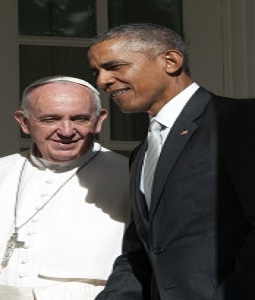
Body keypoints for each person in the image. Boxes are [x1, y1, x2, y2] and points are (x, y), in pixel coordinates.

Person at [88, 23, 255, 300]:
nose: (102, 81)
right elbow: (140, 255)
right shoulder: (141, 153)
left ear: (171, 61)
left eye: (114, 66)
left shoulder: (239, 119)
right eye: (97, 72)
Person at [0, 76, 131, 300]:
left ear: (99, 120)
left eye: (80, 119)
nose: (66, 131)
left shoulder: (130, 177)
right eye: (50, 119)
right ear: (24, 122)